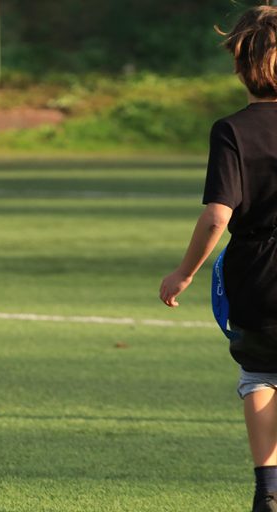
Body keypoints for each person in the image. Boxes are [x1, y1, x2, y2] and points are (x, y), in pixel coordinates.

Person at [159, 6, 277, 511]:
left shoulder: (232, 130)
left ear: (239, 62)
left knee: (261, 375)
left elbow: (216, 216)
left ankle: (268, 489)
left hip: (257, 270)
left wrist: (184, 273)